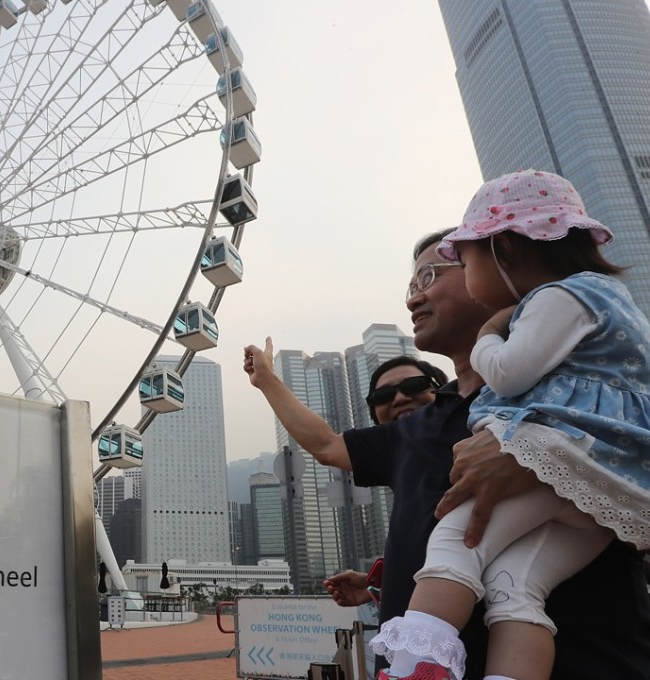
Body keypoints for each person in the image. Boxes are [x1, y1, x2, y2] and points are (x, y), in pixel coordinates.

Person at [244, 228, 650, 679]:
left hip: (589, 660)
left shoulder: (572, 393)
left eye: (430, 277)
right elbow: (326, 445)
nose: (414, 299)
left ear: (496, 272)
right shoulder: (415, 430)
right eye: (381, 396)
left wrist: (545, 458)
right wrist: (268, 381)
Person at [370, 170, 650, 680]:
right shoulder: (610, 307)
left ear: (504, 249)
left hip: (559, 451)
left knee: (455, 542)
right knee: (515, 585)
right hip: (604, 492)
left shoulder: (559, 297)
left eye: (461, 262)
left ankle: (415, 665)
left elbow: (510, 371)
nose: (413, 297)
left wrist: (490, 333)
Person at [324, 356, 448, 608]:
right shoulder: (401, 459)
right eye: (383, 396)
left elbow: (324, 445)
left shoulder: (480, 434)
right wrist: (381, 583)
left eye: (414, 385)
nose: (400, 398)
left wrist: (265, 378)